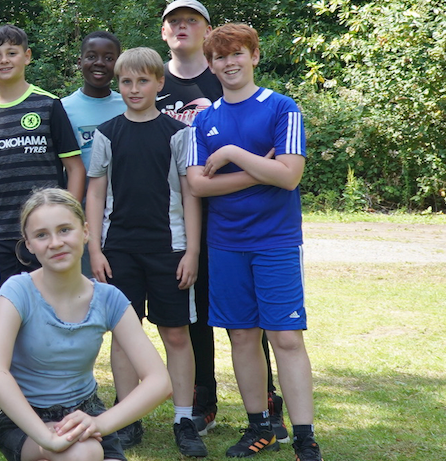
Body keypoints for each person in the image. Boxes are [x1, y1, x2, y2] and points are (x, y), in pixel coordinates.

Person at [185, 23, 322, 461]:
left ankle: (304, 438)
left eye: (237, 53)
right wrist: (262, 167)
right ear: (210, 65)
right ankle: (258, 427)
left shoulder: (283, 108)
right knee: (242, 337)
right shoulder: (202, 120)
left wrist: (228, 156)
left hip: (276, 242)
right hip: (224, 244)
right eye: (220, 57)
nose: (229, 62)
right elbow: (198, 187)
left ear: (254, 56)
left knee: (285, 338)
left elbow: (290, 175)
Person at [157, 0, 286, 442]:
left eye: (191, 20)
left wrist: (243, 166)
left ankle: (270, 410)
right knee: (195, 315)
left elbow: (276, 158)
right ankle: (203, 402)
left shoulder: (228, 74)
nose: (182, 27)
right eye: (174, 21)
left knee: (248, 322)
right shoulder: (153, 82)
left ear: (208, 32)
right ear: (163, 33)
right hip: (180, 216)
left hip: (241, 219)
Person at [0, 188, 172, 461]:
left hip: (87, 413)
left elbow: (159, 381)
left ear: (85, 231)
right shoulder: (17, 291)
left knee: (87, 451)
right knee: (83, 453)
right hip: (26, 420)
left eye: (64, 230)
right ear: (29, 244)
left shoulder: (109, 299)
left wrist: (100, 423)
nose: (55, 243)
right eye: (42, 235)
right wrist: (47, 437)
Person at [84, 47, 206, 457]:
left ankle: (184, 418)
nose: (134, 89)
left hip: (168, 248)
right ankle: (126, 416)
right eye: (126, 82)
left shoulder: (177, 132)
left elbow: (191, 195)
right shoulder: (107, 132)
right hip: (118, 249)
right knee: (124, 334)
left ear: (159, 83)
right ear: (118, 85)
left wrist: (190, 252)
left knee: (175, 333)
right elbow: (95, 193)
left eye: (142, 81)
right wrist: (94, 249)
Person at [0, 24, 85, 285]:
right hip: (0, 235)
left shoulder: (49, 105)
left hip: (47, 233)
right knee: (6, 312)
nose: (4, 60)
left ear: (27, 56)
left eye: (12, 53)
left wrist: (68, 220)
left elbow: (75, 168)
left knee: (52, 311)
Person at [60, 30, 126, 278]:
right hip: (82, 206)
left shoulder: (128, 104)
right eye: (91, 56)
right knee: (88, 282)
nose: (99, 63)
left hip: (123, 207)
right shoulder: (63, 109)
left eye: (108, 58)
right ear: (79, 62)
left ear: (118, 64)